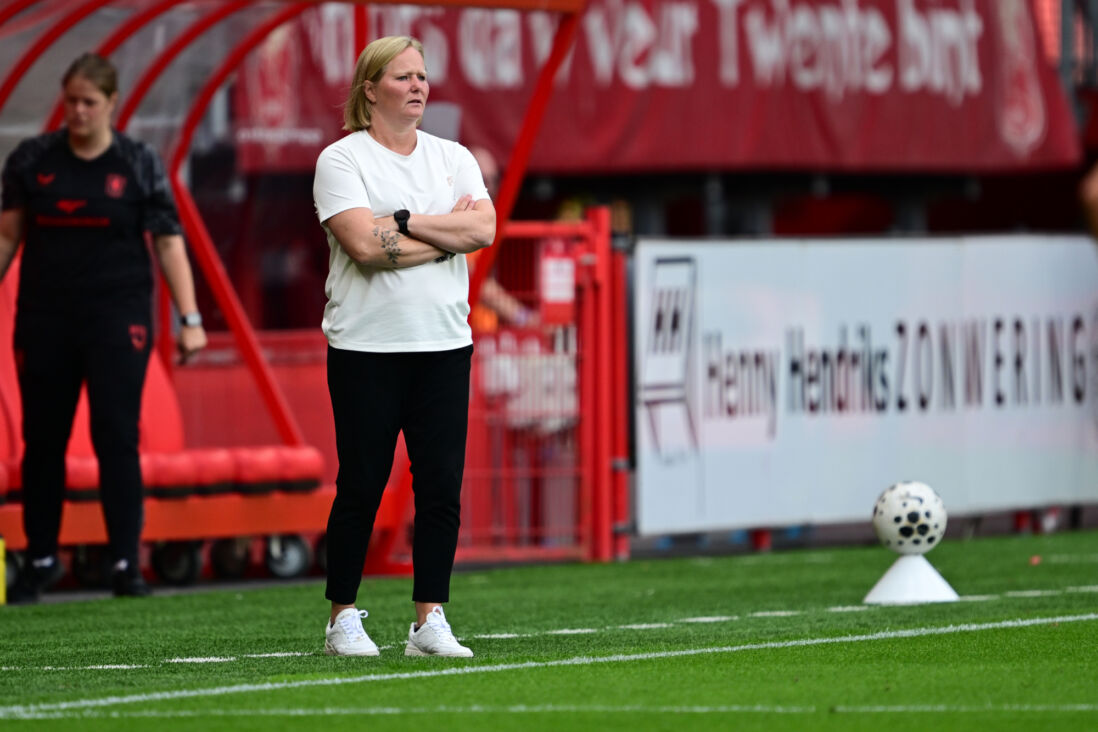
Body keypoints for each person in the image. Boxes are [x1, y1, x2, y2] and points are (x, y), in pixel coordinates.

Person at [0, 53, 207, 603]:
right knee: (43, 438)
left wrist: (190, 319)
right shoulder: (32, 160)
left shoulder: (138, 162)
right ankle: (40, 559)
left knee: (115, 434)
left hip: (118, 317)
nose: (78, 112)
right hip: (45, 317)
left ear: (111, 103)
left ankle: (124, 562)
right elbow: (7, 236)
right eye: (71, 101)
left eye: (89, 102)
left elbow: (168, 241)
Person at [312, 36, 495, 657]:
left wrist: (407, 221)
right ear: (370, 90)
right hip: (365, 347)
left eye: (421, 76)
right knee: (362, 483)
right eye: (402, 76)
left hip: (444, 343)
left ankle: (429, 620)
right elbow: (364, 247)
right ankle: (341, 617)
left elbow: (484, 228)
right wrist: (446, 237)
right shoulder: (342, 159)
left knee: (440, 486)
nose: (417, 86)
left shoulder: (452, 156)